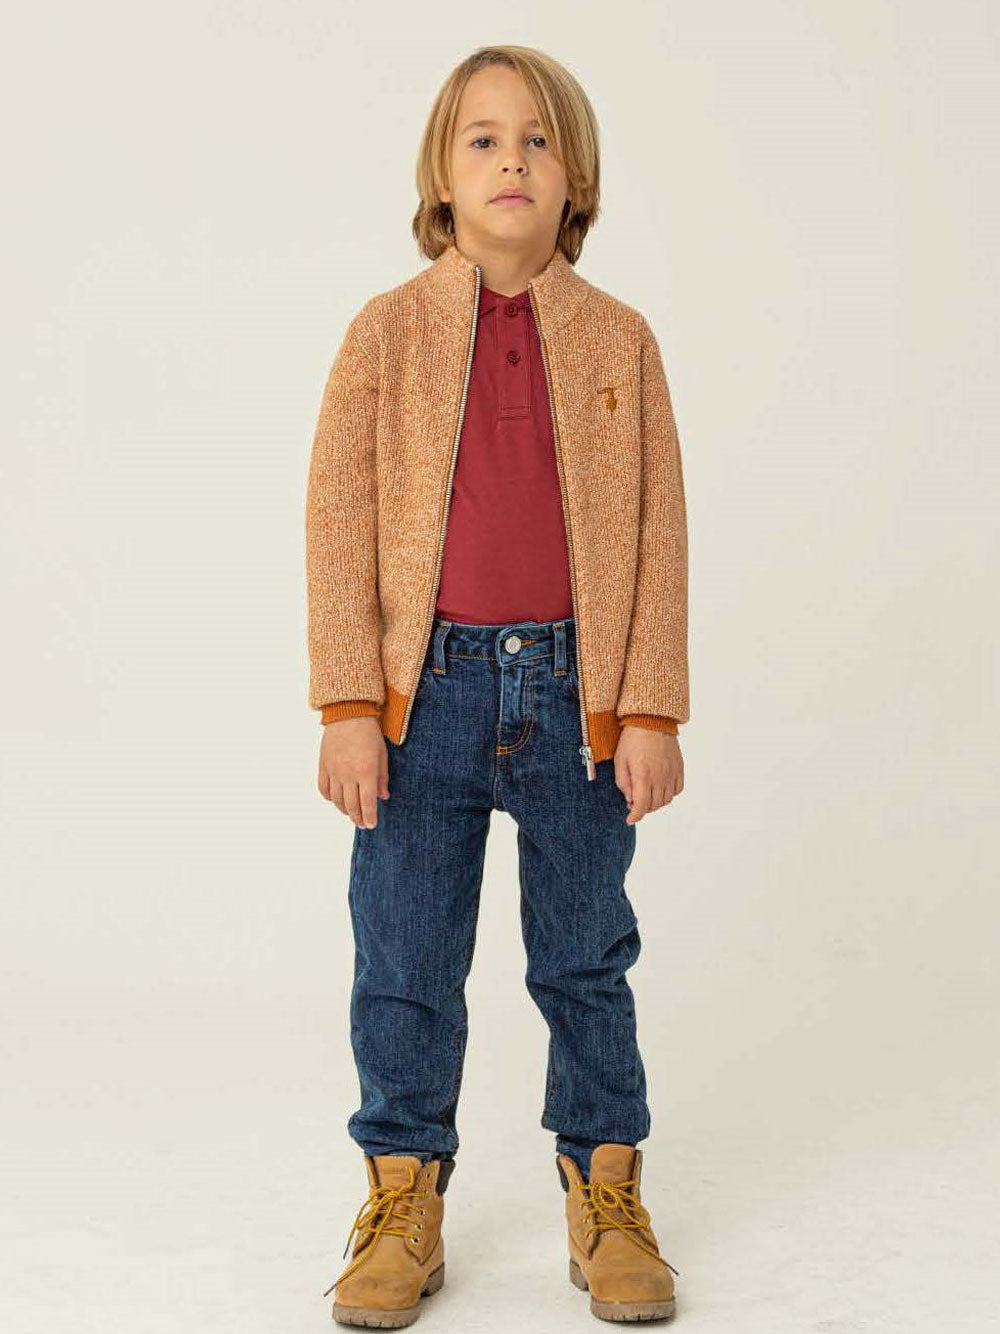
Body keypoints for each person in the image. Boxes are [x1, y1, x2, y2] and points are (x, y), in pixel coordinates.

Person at [307, 44, 687, 1327]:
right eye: (482, 139)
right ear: (441, 172)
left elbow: (660, 530)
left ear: (574, 177)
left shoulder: (620, 340)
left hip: (578, 699)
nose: (510, 160)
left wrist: (649, 705)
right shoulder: (386, 332)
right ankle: (401, 1197)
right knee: (405, 956)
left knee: (585, 957)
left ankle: (607, 1188)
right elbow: (337, 525)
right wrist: (348, 704)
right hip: (424, 702)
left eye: (536, 140)